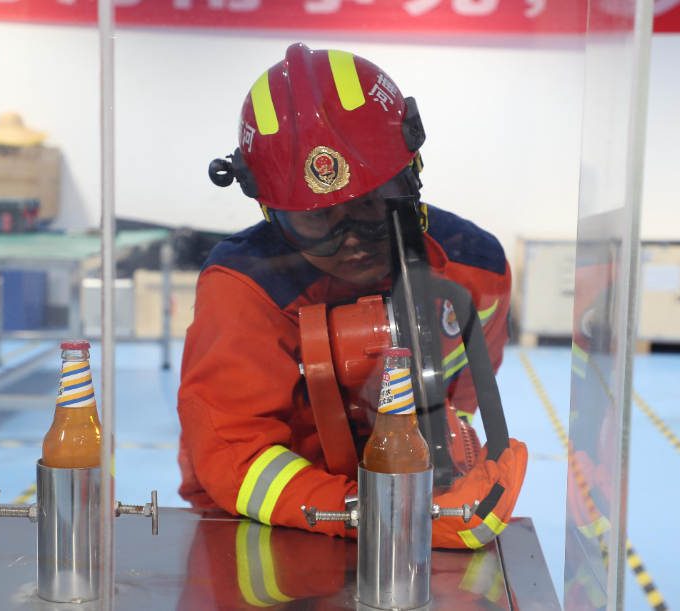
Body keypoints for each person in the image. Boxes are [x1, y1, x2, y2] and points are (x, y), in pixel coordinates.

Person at [178, 43, 527, 549]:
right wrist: (381, 514)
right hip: (265, 526)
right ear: (271, 214)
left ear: (412, 174)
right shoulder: (246, 289)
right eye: (316, 220)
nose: (352, 241)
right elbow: (234, 456)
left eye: (370, 205)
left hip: (410, 511)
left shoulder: (478, 270)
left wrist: (453, 477)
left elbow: (464, 398)